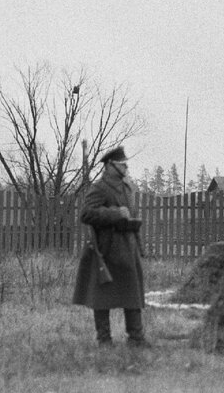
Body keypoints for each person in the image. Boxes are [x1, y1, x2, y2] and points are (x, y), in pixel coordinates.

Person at [72, 146, 148, 346]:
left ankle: (136, 338)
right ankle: (104, 339)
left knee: (132, 294)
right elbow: (86, 214)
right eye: (121, 164)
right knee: (102, 297)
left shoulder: (128, 187)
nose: (125, 166)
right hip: (106, 249)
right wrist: (114, 213)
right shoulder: (99, 188)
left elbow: (129, 214)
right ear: (109, 165)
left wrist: (139, 243)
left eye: (125, 163)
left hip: (127, 247)